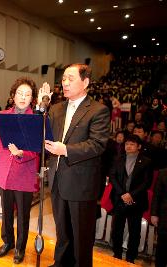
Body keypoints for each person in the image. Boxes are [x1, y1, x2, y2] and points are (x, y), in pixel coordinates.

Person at [44, 63, 110, 267]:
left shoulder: (98, 110)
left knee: (81, 236)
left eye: (70, 79)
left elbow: (97, 145)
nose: (64, 83)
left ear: (86, 82)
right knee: (62, 231)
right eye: (63, 78)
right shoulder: (55, 109)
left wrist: (65, 150)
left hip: (81, 183)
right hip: (57, 179)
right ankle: (60, 263)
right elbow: (46, 135)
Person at [0, 78, 40, 264]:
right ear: (13, 95)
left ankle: (20, 248)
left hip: (23, 173)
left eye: (27, 94)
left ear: (32, 99)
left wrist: (22, 153)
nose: (23, 97)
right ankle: (8, 242)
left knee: (22, 215)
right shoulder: (4, 114)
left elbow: (38, 148)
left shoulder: (36, 119)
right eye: (20, 93)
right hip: (5, 172)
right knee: (6, 212)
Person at [109, 134, 152, 263]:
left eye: (132, 144)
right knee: (117, 230)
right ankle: (116, 255)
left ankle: (130, 258)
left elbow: (147, 182)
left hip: (136, 201)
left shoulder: (146, 161)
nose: (128, 146)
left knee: (134, 231)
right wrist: (123, 193)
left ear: (139, 146)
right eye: (127, 143)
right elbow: (112, 176)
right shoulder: (118, 158)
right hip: (119, 200)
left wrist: (131, 195)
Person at [151, 168, 167, 267]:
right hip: (164, 217)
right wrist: (154, 214)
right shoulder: (163, 173)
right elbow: (156, 195)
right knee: (162, 247)